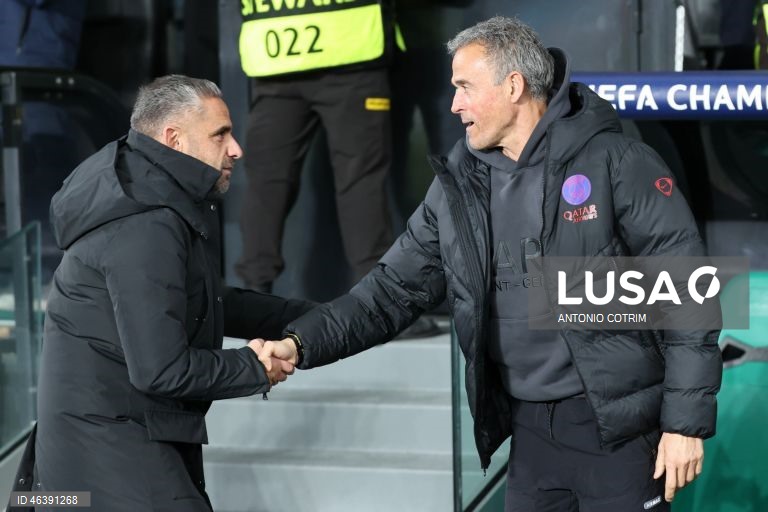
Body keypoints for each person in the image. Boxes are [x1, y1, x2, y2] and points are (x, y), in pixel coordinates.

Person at [257, 16, 723, 512]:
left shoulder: (616, 160)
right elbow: (389, 291)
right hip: (529, 439)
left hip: (620, 436)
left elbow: (686, 294)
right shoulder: (458, 187)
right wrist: (301, 342)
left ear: (514, 86)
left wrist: (682, 424)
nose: (454, 104)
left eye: (465, 87)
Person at [8, 75, 314, 512]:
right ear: (174, 139)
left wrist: (312, 316)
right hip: (102, 461)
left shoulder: (150, 194)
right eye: (220, 134)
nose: (236, 149)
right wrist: (255, 367)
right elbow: (161, 370)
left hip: (102, 454)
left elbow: (200, 298)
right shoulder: (145, 222)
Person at [234, 0, 398, 294]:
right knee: (360, 180)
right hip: (350, 50)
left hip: (276, 51)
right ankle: (378, 301)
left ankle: (254, 295)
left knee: (267, 183)